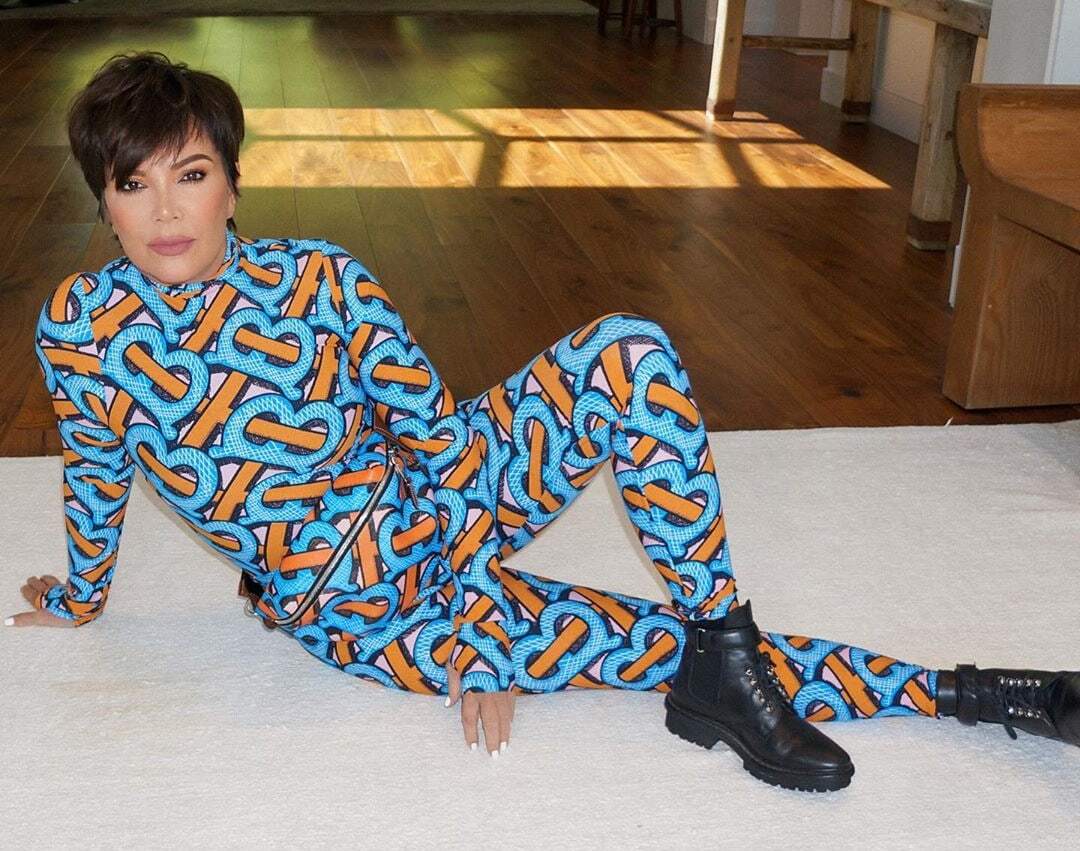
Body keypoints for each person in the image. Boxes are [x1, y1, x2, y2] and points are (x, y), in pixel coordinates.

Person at [8, 52, 1078, 794]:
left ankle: (725, 637)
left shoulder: (323, 279)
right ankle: (984, 693)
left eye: (191, 175)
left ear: (233, 187)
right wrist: (82, 594)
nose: (165, 210)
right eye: (133, 183)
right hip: (358, 606)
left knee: (627, 350)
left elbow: (438, 443)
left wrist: (478, 612)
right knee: (656, 650)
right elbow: (96, 471)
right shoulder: (80, 330)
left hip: (442, 506)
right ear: (103, 200)